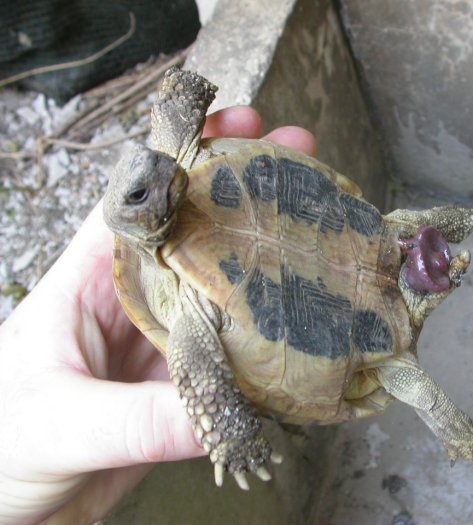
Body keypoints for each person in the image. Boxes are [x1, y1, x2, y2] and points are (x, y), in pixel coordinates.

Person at [0, 107, 317, 525]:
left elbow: (175, 117)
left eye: (144, 156)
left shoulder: (173, 181)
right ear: (131, 217)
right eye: (137, 195)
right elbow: (201, 379)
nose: (155, 166)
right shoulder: (182, 321)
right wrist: (228, 428)